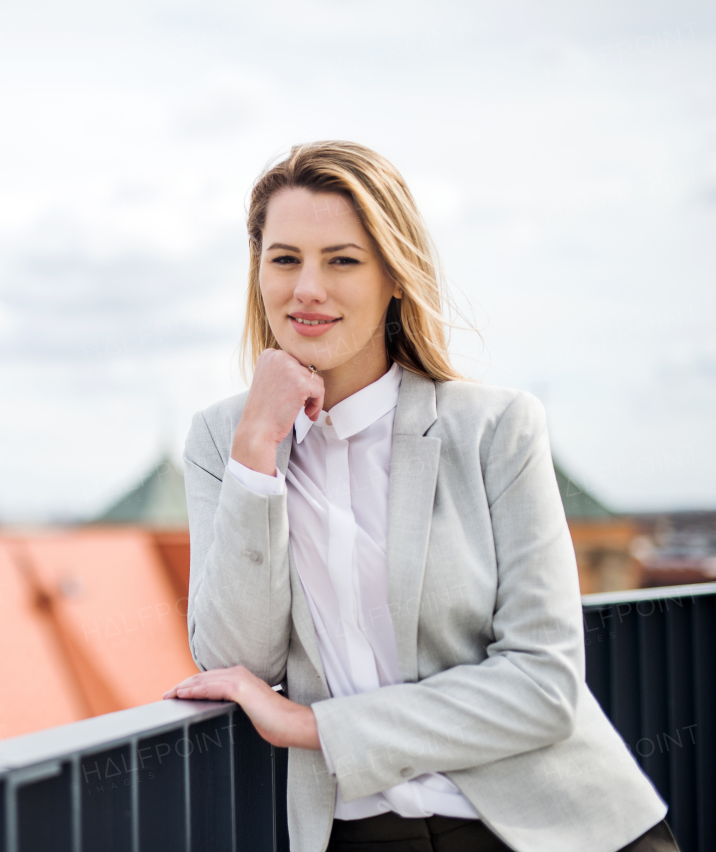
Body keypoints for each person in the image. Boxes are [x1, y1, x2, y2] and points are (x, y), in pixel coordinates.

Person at [162, 141, 678, 852]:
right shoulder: (224, 440)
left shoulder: (496, 430)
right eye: (285, 259)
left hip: (552, 827)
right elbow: (234, 659)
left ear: (394, 278)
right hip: (360, 835)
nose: (307, 287)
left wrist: (318, 729)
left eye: (341, 260)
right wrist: (256, 450)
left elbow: (544, 686)